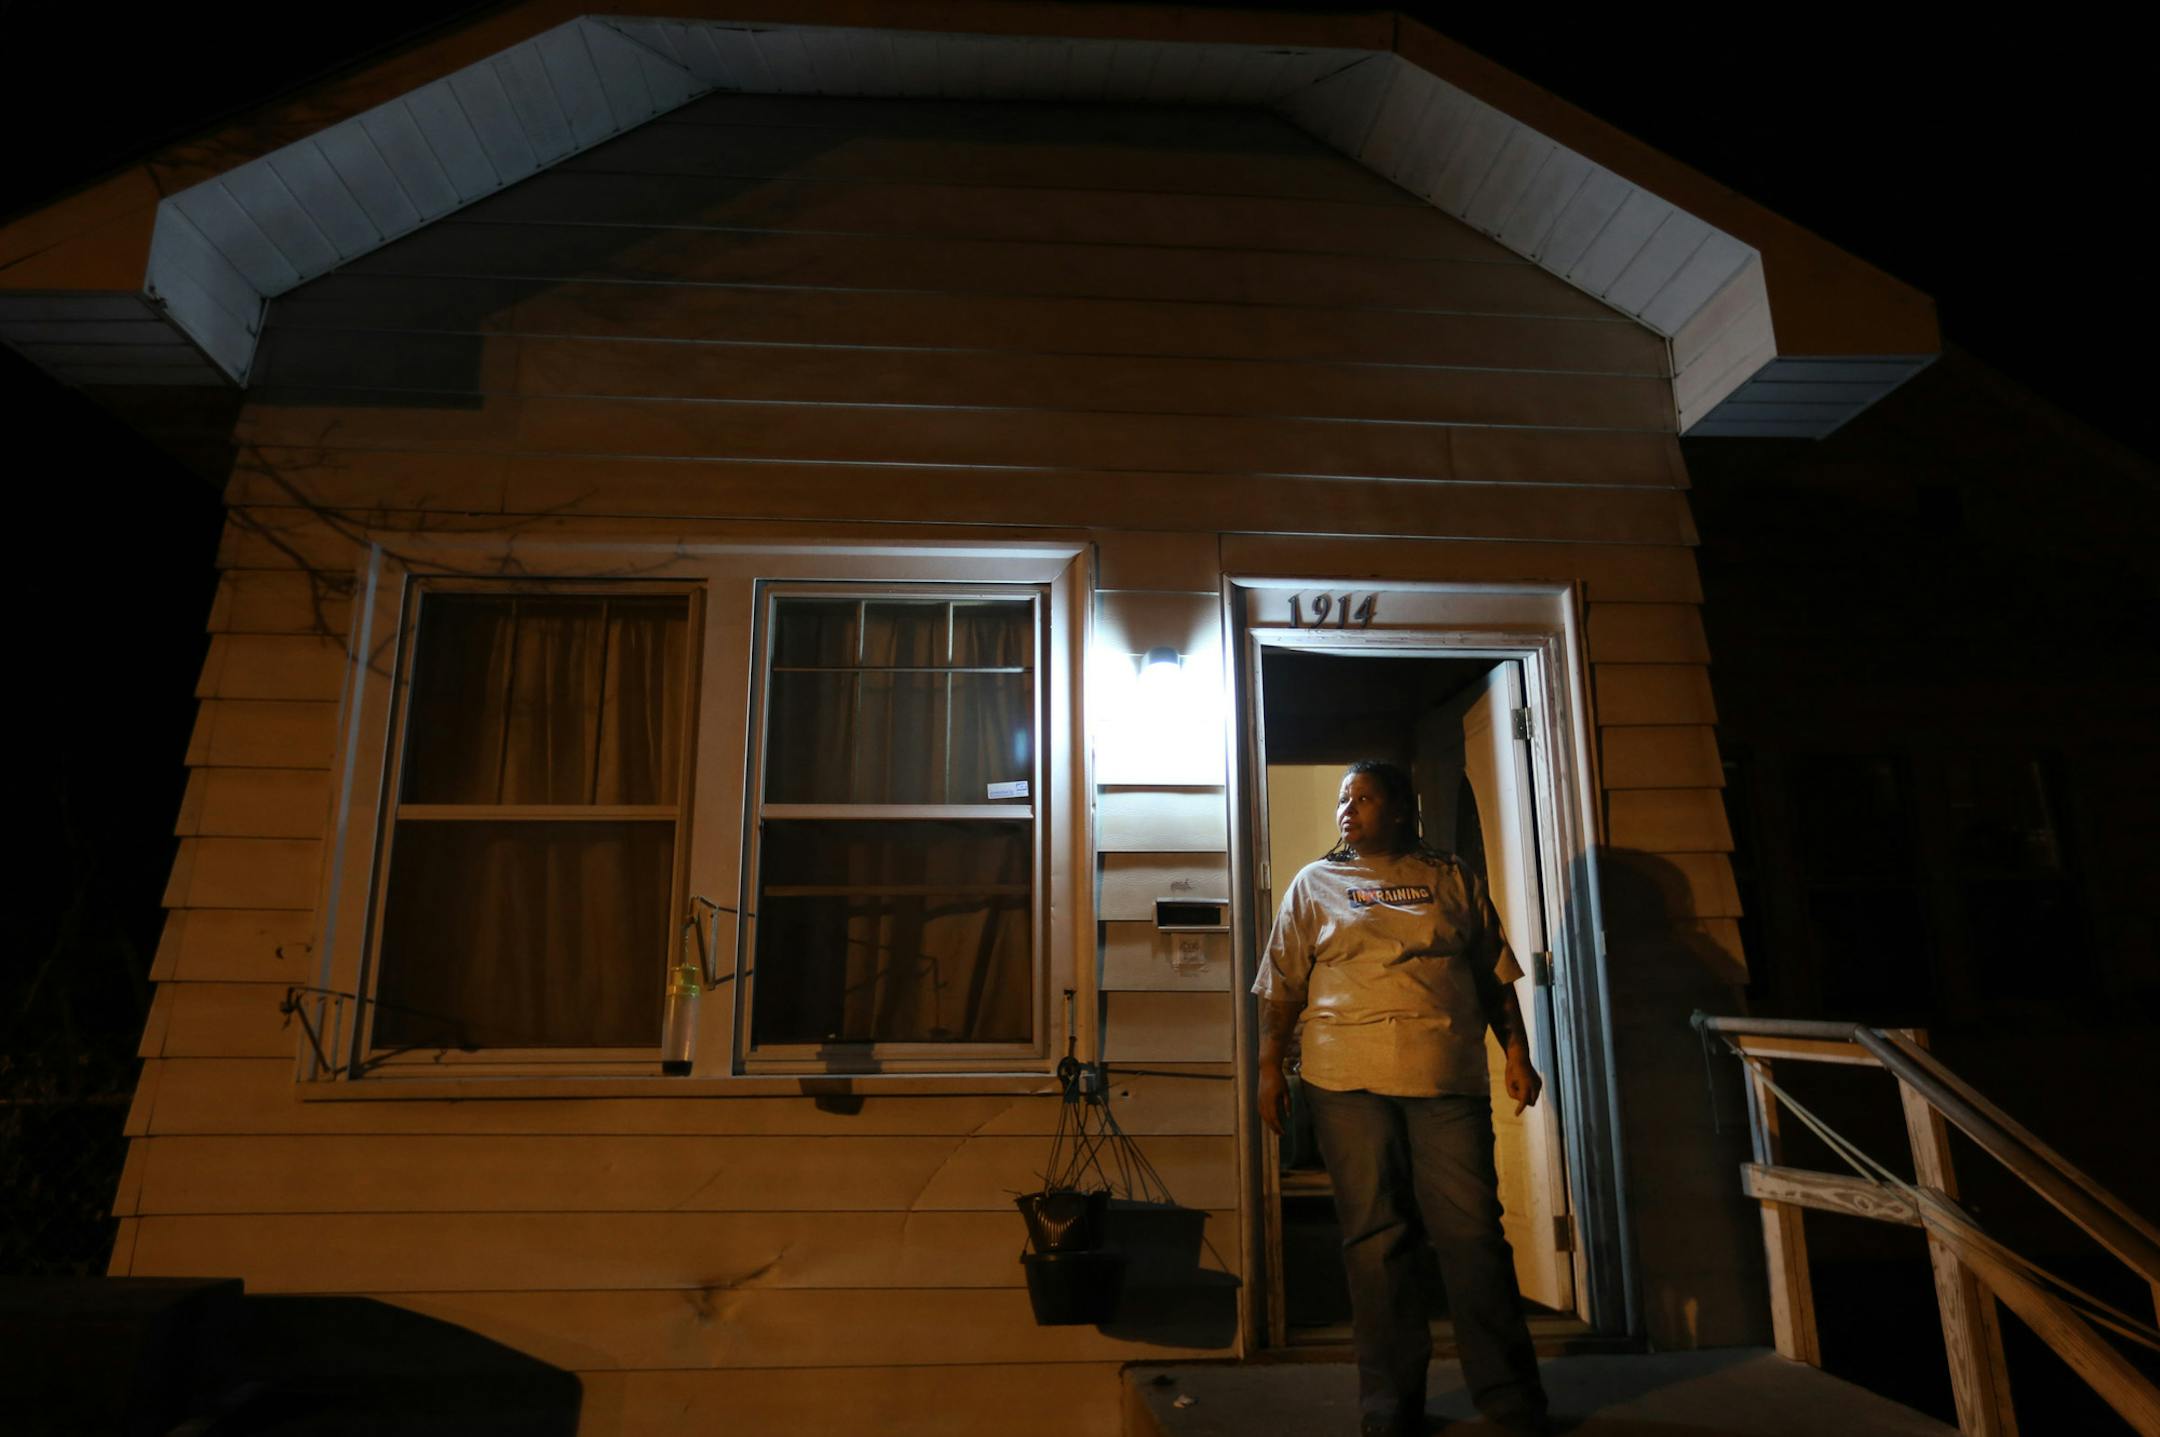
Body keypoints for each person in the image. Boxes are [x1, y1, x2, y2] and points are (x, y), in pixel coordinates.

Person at [1254, 759, 1550, 1437]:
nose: (1348, 810)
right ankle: (1389, 1400)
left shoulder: (1450, 878)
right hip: (1345, 1081)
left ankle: (1509, 1394)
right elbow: (1281, 988)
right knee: (1375, 1237)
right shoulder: (1313, 884)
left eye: (1364, 797)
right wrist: (1270, 1065)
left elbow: (1493, 972)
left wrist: (1516, 1052)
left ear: (1400, 808)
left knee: (1472, 1233)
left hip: (1444, 1077)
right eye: (1342, 799)